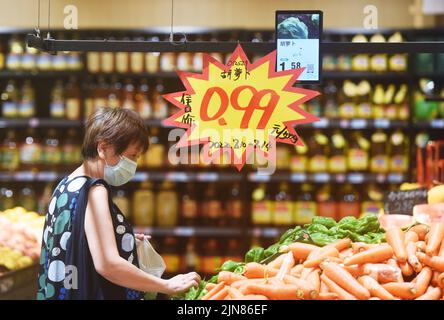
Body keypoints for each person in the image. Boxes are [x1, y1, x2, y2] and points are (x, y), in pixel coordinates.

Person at [37, 107, 200, 300]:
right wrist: (167, 285)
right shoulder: (94, 191)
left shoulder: (67, 184)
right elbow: (108, 264)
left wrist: (121, 238)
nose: (134, 164)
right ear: (103, 147)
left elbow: (77, 239)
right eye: (132, 155)